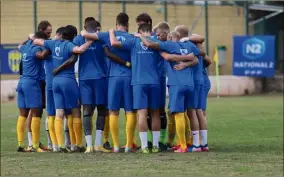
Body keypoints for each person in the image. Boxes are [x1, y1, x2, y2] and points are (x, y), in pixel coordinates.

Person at [82, 13, 136, 153]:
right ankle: (129, 145)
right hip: (129, 77)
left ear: (116, 23)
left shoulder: (107, 35)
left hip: (113, 77)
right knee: (130, 111)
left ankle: (116, 146)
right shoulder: (132, 38)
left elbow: (87, 35)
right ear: (128, 24)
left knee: (113, 111)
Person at [33, 26, 92, 152]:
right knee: (75, 111)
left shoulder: (53, 43)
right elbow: (80, 49)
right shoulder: (69, 45)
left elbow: (37, 41)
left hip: (55, 82)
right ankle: (78, 144)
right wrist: (90, 41)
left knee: (59, 113)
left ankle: (60, 146)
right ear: (72, 36)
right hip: (68, 80)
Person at [140, 30, 200, 152]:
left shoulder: (169, 45)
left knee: (178, 114)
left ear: (169, 37)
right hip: (190, 84)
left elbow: (152, 45)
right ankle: (190, 143)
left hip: (177, 84)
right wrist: (186, 62)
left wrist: (140, 36)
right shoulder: (189, 45)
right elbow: (197, 59)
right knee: (186, 114)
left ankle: (182, 146)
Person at [109, 24, 161, 153]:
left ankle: (144, 147)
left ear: (140, 31)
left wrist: (111, 31)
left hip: (139, 82)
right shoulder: (156, 41)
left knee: (142, 113)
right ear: (151, 31)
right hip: (154, 81)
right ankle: (155, 145)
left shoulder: (133, 41)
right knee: (155, 114)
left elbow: (114, 43)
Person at [73, 17, 110, 153]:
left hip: (84, 79)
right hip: (100, 78)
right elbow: (109, 54)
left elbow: (74, 53)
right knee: (101, 111)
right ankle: (98, 145)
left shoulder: (78, 39)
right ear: (96, 29)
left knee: (87, 111)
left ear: (84, 26)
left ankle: (89, 146)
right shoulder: (101, 39)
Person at [16, 31, 50, 152]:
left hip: (21, 82)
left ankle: (20, 144)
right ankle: (35, 145)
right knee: (36, 114)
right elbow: (41, 56)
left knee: (22, 115)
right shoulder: (35, 49)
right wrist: (49, 48)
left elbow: (18, 46)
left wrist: (28, 39)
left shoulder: (25, 47)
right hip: (32, 83)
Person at [175, 26, 207, 152]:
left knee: (192, 112)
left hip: (192, 81)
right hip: (200, 80)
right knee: (199, 111)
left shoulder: (185, 46)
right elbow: (204, 55)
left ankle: (196, 144)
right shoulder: (196, 46)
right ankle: (204, 143)